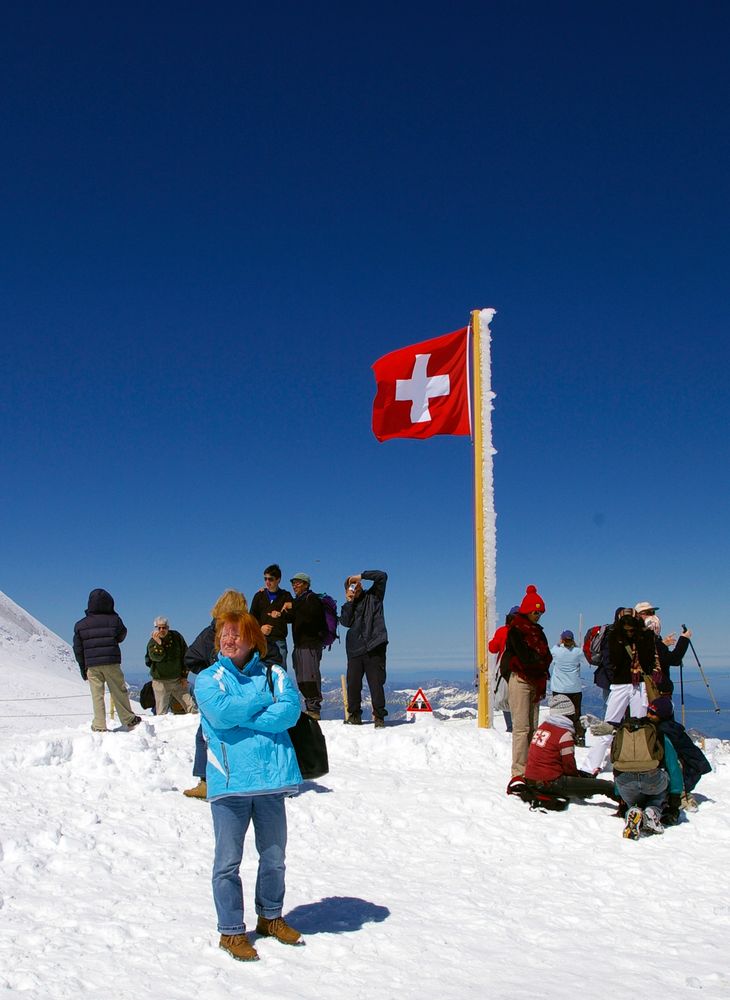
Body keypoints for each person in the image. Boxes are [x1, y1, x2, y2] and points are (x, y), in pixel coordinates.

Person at [195, 611, 303, 962]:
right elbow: (221, 715)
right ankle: (230, 932)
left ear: (253, 639)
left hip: (271, 781)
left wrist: (243, 715)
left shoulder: (275, 674)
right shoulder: (208, 679)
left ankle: (270, 917)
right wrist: (258, 704)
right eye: (224, 634)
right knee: (228, 862)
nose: (228, 640)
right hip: (229, 783)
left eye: (235, 634)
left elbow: (289, 713)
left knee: (274, 858)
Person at [182, 589, 248, 799]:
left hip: (216, 693)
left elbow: (190, 658)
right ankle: (244, 779)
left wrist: (209, 673)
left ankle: (205, 781)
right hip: (242, 691)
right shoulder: (247, 631)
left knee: (206, 735)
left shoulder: (210, 633)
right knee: (244, 734)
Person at [582, 607, 656, 775]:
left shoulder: (615, 635)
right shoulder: (642, 636)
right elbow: (648, 660)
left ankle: (590, 766)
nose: (629, 630)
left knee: (610, 725)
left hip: (622, 684)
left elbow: (612, 660)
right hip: (635, 685)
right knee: (637, 725)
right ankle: (638, 762)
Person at [525, 694, 617, 801]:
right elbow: (569, 765)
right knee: (603, 785)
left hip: (532, 779)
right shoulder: (564, 734)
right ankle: (624, 802)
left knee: (585, 777)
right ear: (569, 714)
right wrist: (580, 784)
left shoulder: (543, 727)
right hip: (550, 782)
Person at [73, 588, 141, 732]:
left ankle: (99, 725)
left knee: (97, 695)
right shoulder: (114, 620)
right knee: (118, 690)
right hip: (111, 661)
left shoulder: (80, 625)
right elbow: (122, 635)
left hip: (91, 665)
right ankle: (128, 719)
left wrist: (83, 668)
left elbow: (78, 649)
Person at [503, 585, 552, 777]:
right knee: (522, 727)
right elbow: (524, 656)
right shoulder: (516, 630)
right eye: (535, 611)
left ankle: (531, 767)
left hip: (535, 680)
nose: (538, 614)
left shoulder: (538, 631)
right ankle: (518, 771)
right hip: (522, 679)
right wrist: (539, 662)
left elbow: (547, 655)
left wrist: (540, 663)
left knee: (533, 726)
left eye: (540, 611)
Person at [339, 570, 389, 728]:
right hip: (354, 649)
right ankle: (354, 715)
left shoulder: (374, 596)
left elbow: (382, 576)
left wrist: (360, 575)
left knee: (376, 683)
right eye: (351, 586)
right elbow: (345, 623)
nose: (355, 587)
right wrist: (349, 602)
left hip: (374, 646)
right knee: (353, 684)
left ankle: (379, 717)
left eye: (356, 584)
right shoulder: (348, 605)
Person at [647, 696, 711, 812]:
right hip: (673, 775)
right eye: (648, 711)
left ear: (662, 715)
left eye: (652, 713)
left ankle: (681, 795)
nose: (648, 715)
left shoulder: (669, 733)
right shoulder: (669, 729)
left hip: (680, 775)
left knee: (672, 761)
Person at [282, 573, 326, 720]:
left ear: (306, 584)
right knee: (301, 678)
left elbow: (312, 614)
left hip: (310, 645)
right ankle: (310, 708)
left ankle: (314, 709)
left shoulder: (311, 598)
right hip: (299, 646)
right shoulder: (299, 601)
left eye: (298, 583)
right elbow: (293, 618)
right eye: (293, 583)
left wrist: (293, 605)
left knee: (310, 677)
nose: (295, 586)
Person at [635, 602, 692, 695]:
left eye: (653, 612)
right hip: (656, 689)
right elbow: (674, 659)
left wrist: (663, 644)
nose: (653, 616)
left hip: (643, 688)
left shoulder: (639, 637)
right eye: (649, 613)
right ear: (639, 615)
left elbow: (655, 656)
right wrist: (684, 640)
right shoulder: (649, 639)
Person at [145, 617, 195, 715]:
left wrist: (184, 676)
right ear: (155, 628)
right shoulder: (152, 642)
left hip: (177, 680)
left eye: (164, 628)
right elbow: (155, 658)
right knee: (161, 713)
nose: (161, 630)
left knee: (192, 707)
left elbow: (185, 656)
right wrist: (158, 644)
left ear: (168, 627)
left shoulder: (176, 637)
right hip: (160, 682)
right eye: (159, 628)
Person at [249, 565, 293, 669]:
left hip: (279, 641)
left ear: (278, 580)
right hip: (261, 641)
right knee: (260, 674)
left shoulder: (285, 596)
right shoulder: (259, 596)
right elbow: (251, 618)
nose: (267, 582)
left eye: (271, 579)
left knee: (280, 673)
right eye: (265, 579)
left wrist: (281, 615)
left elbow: (292, 617)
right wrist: (260, 629)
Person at [550, 630, 585, 745]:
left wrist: (558, 644)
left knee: (559, 714)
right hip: (575, 687)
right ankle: (579, 736)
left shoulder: (556, 651)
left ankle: (559, 737)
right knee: (576, 713)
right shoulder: (578, 652)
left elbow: (551, 654)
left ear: (562, 639)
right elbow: (583, 661)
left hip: (559, 688)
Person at [489, 607, 519, 732]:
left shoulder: (503, 631)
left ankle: (511, 727)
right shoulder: (528, 632)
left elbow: (493, 648)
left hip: (505, 670)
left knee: (505, 697)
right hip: (523, 671)